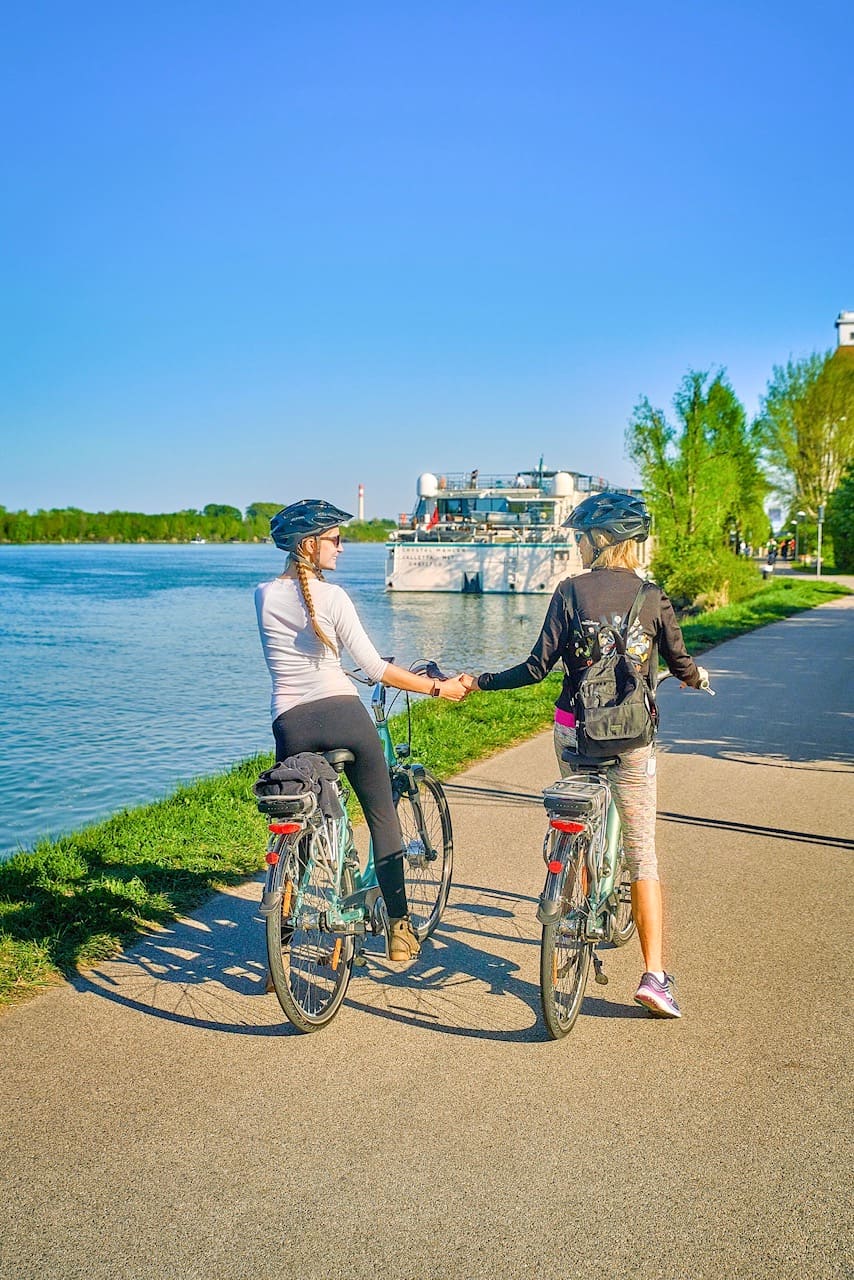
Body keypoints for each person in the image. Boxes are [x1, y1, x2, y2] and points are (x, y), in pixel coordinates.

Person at [459, 492, 708, 1018]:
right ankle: (655, 978)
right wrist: (694, 677)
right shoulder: (652, 595)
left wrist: (479, 681)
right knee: (643, 855)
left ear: (601, 540)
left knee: (578, 818)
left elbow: (535, 668)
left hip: (574, 733)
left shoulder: (570, 592)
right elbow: (680, 659)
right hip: (632, 738)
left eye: (581, 536)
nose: (576, 544)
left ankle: (574, 910)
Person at [255, 498, 468, 962]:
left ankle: (281, 948)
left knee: (300, 827)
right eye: (334, 539)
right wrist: (438, 689)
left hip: (290, 725)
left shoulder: (263, 595)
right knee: (382, 815)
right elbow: (374, 668)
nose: (342, 548)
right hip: (344, 717)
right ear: (309, 545)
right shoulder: (333, 598)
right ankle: (398, 927)